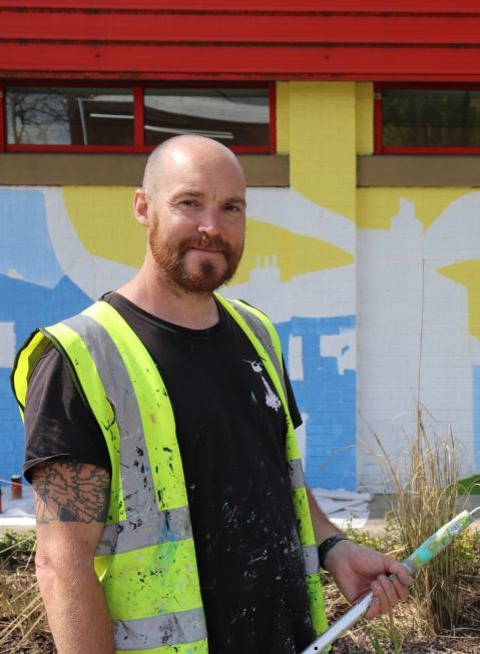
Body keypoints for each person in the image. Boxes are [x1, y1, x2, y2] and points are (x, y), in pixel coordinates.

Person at [11, 134, 412, 654]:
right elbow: (61, 562)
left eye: (231, 208)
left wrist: (333, 547)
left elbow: (272, 476)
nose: (212, 226)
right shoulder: (82, 358)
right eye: (189, 203)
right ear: (143, 207)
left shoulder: (257, 334)